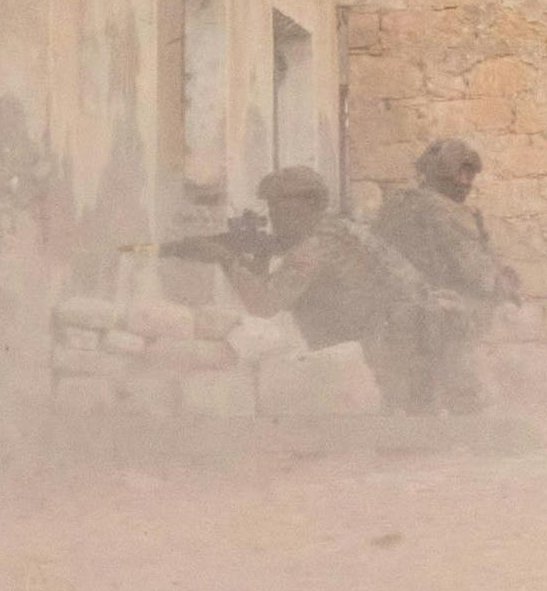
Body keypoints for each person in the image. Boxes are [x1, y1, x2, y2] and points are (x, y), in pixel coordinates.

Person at [214, 165, 437, 414]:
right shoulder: (344, 231)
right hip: (405, 353)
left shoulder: (318, 245)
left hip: (376, 363)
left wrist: (227, 261)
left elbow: (264, 304)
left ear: (309, 205)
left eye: (278, 206)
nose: (272, 217)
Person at [372, 137, 523, 415]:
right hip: (440, 308)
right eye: (461, 173)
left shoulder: (398, 203)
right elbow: (472, 267)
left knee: (417, 391)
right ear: (441, 173)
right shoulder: (441, 208)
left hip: (401, 310)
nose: (467, 182)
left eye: (470, 175)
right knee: (463, 384)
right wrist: (502, 284)